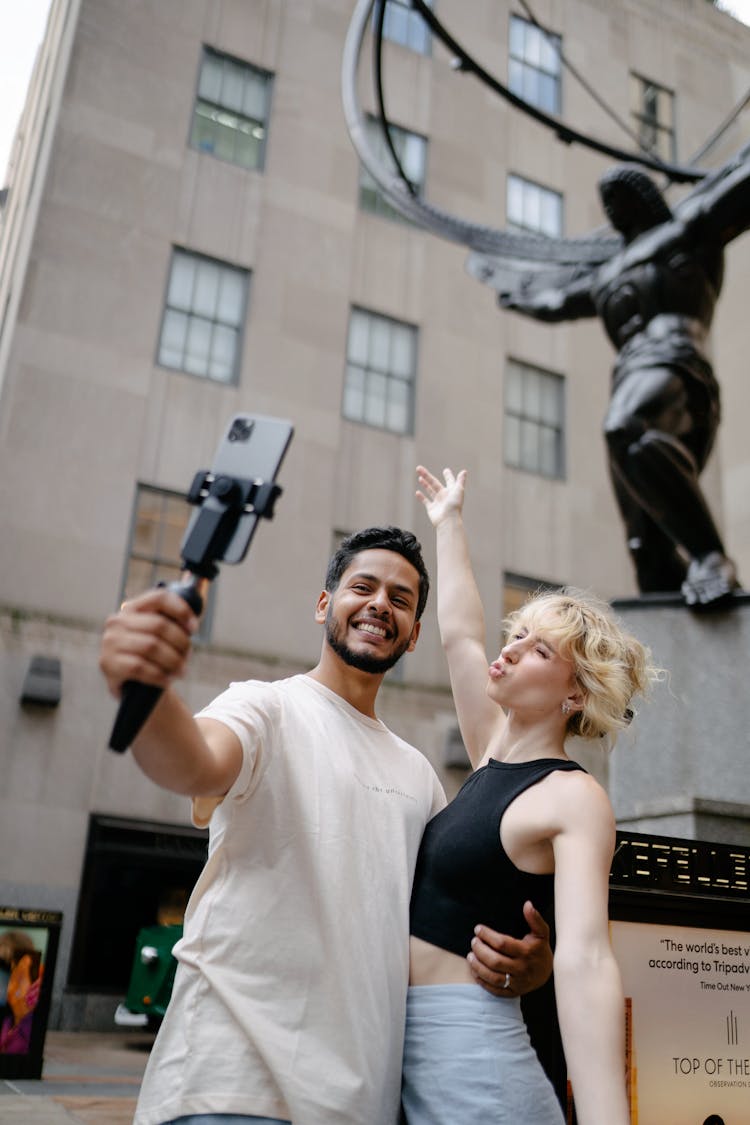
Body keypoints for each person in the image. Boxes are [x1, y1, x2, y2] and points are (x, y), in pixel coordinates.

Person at [99, 525, 554, 1125]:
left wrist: (532, 967)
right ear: (324, 605)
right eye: (362, 586)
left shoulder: (420, 776)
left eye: (400, 599)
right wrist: (148, 692)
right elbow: (192, 761)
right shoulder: (266, 706)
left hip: (361, 1103)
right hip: (232, 1086)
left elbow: (442, 928)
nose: (378, 605)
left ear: (415, 634)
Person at [401, 465, 658, 1124]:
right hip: (407, 1045)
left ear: (575, 692)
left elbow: (586, 958)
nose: (510, 650)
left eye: (539, 648)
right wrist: (449, 521)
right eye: (516, 635)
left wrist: (606, 1119)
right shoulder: (489, 747)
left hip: (474, 1060)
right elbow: (460, 632)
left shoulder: (573, 796)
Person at [500, 155, 750, 607]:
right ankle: (680, 654)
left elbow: (739, 195)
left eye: (625, 195)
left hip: (677, 372)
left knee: (625, 426)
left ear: (647, 197)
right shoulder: (607, 275)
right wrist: (513, 292)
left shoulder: (690, 232)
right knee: (646, 549)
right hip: (633, 376)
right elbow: (555, 301)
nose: (616, 206)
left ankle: (712, 557)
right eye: (609, 202)